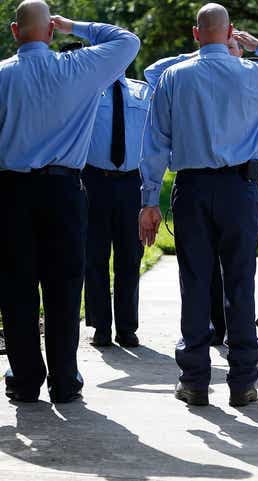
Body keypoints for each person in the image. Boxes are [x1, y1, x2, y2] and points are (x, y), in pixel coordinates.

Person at [139, 3, 258, 408]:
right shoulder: (253, 74)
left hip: (193, 187)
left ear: (196, 34)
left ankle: (196, 380)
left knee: (195, 283)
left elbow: (155, 143)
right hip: (240, 189)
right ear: (232, 31)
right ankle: (243, 382)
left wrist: (149, 199)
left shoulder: (173, 76)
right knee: (239, 282)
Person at [0, 0, 140, 403]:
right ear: (49, 32)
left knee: (16, 288)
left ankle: (25, 379)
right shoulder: (77, 69)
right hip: (63, 191)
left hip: (11, 192)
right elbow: (126, 40)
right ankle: (64, 379)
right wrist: (73, 25)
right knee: (63, 287)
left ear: (14, 31)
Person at [143, 36, 258, 347]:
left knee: (237, 276)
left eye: (234, 47)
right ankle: (202, 363)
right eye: (224, 45)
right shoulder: (186, 74)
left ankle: (239, 360)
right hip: (197, 183)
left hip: (240, 183)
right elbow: (153, 74)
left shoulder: (255, 83)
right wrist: (201, 55)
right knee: (198, 276)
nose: (229, 51)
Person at [84, 75, 151, 349]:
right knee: (94, 255)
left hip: (132, 181)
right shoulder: (89, 87)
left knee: (130, 255)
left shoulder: (143, 92)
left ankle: (126, 327)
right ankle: (100, 326)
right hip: (93, 179)